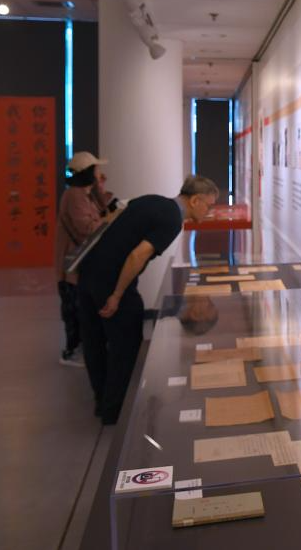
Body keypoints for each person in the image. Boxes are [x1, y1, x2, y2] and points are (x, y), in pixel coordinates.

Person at [77, 175, 218, 424]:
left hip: (88, 273)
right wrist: (117, 295)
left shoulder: (152, 201)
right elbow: (137, 255)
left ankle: (103, 402)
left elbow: (112, 222)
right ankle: (116, 411)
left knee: (94, 341)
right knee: (126, 344)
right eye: (208, 205)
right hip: (110, 280)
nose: (209, 212)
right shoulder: (172, 219)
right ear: (195, 200)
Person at [53, 151, 114, 367]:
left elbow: (104, 208)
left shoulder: (87, 193)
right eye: (96, 169)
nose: (100, 173)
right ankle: (72, 351)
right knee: (74, 308)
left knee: (82, 308)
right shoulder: (74, 195)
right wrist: (107, 221)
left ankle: (83, 348)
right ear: (88, 172)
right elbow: (86, 228)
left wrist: (100, 188)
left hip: (82, 263)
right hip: (73, 264)